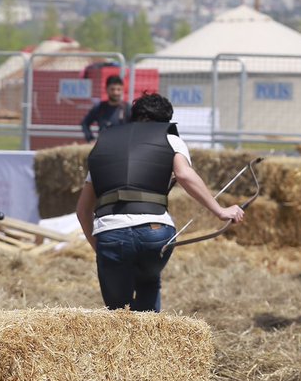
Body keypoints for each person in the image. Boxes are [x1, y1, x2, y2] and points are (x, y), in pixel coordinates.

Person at [75, 93, 244, 311]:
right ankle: (152, 338)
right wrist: (220, 211)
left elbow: (82, 210)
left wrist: (99, 247)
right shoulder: (171, 139)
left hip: (111, 233)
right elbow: (184, 175)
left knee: (117, 313)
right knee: (148, 282)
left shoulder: (104, 144)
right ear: (166, 120)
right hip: (156, 232)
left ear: (133, 117)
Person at [80, 75, 129, 142]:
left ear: (122, 90)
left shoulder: (127, 108)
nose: (115, 92)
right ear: (106, 89)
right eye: (112, 89)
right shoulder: (99, 108)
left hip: (122, 147)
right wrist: (90, 139)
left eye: (118, 89)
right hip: (103, 147)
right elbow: (85, 123)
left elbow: (136, 127)